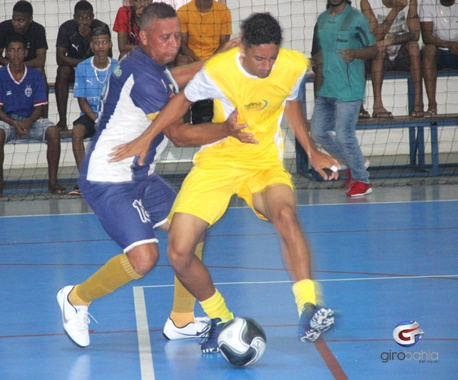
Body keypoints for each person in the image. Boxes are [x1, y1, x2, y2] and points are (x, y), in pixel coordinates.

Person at [111, 12, 341, 353]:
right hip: (217, 164)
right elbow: (179, 101)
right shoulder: (220, 71)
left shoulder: (291, 65)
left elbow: (290, 102)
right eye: (259, 58)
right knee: (178, 250)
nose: (266, 66)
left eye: (272, 58)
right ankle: (221, 318)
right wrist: (147, 136)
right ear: (243, 50)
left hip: (263, 164)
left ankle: (308, 305)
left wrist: (312, 151)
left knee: (286, 216)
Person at [56, 3, 246, 349]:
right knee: (145, 258)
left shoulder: (144, 63)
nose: (173, 44)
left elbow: (179, 77)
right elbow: (178, 136)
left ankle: (182, 319)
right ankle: (76, 299)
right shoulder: (145, 78)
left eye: (177, 36)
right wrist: (228, 130)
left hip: (140, 174)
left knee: (191, 229)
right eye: (165, 38)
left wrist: (220, 58)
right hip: (109, 178)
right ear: (143, 37)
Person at [311, 0, 378, 197]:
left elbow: (374, 50)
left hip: (349, 88)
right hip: (327, 88)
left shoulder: (356, 18)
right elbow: (317, 54)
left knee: (343, 134)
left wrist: (356, 53)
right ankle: (356, 163)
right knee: (317, 133)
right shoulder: (322, 20)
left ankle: (363, 181)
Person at [0, 35, 65, 198]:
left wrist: (28, 122)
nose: (16, 54)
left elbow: (39, 109)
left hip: (32, 120)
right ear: (6, 53)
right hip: (8, 120)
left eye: (20, 50)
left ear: (26, 53)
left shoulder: (35, 76)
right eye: (12, 51)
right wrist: (15, 123)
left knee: (53, 131)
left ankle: (53, 182)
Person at [68, 26, 118, 196]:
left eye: (104, 42)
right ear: (91, 46)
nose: (101, 47)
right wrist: (96, 119)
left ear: (110, 44)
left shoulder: (118, 67)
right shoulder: (82, 68)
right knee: (77, 131)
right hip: (90, 115)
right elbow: (82, 101)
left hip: (113, 116)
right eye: (97, 43)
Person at [361, 0, 423, 118]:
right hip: (378, 54)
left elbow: (415, 34)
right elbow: (374, 37)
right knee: (379, 50)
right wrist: (395, 10)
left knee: (414, 47)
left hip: (401, 52)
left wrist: (389, 41)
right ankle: (378, 105)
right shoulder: (367, 2)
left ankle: (418, 101)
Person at [54, 1, 110, 132]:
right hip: (75, 68)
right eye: (80, 18)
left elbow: (108, 56)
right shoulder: (66, 28)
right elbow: (60, 58)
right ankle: (62, 120)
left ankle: (107, 116)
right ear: (74, 17)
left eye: (88, 18)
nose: (84, 22)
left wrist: (90, 37)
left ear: (93, 16)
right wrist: (83, 64)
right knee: (62, 71)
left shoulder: (101, 27)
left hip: (96, 70)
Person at [0, 0, 48, 130]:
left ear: (30, 19)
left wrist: (20, 65)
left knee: (40, 72)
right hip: (10, 66)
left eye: (21, 20)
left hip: (31, 69)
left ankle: (43, 116)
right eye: (14, 19)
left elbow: (40, 60)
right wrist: (11, 64)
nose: (16, 23)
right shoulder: (4, 27)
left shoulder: (38, 30)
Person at [420, 0, 458, 117]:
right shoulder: (427, 2)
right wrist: (448, 44)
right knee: (428, 51)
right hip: (438, 51)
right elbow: (426, 37)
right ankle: (432, 106)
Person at [176, 0, 232, 65]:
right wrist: (199, 62)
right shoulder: (182, 12)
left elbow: (224, 43)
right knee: (181, 62)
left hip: (216, 57)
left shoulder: (224, 11)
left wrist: (210, 61)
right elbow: (182, 45)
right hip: (192, 58)